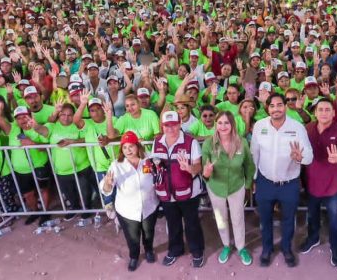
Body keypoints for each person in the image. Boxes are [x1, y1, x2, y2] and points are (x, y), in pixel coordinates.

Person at [250, 93, 312, 267]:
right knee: (265, 218)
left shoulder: (298, 127)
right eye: (272, 106)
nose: (276, 109)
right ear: (267, 108)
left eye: (279, 105)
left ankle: (286, 249)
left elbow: (309, 157)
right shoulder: (259, 126)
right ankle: (267, 249)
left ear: (285, 106)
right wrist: (254, 178)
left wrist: (300, 157)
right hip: (265, 182)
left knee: (288, 219)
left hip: (289, 184)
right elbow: (255, 154)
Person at [150, 110, 206, 268]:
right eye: (167, 125)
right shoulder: (157, 142)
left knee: (192, 224)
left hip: (189, 192)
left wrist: (189, 168)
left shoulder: (190, 142)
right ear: (162, 126)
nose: (170, 129)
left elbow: (198, 166)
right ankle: (175, 250)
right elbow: (155, 163)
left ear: (180, 123)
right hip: (167, 193)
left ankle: (197, 251)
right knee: (173, 223)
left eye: (173, 125)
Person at [300, 97, 337, 267]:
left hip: (333, 185)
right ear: (315, 112)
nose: (323, 112)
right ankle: (313, 238)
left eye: (327, 109)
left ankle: (335, 248)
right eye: (320, 109)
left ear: (333, 112)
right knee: (312, 215)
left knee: (335, 219)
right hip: (312, 183)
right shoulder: (307, 129)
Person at [201, 111, 255, 265]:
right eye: (220, 123)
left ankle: (241, 247)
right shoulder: (208, 144)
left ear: (232, 125)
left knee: (238, 218)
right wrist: (206, 173)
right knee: (220, 219)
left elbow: (249, 166)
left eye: (226, 123)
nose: (223, 126)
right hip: (216, 187)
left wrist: (249, 184)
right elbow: (204, 174)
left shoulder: (242, 142)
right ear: (216, 125)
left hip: (237, 186)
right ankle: (226, 245)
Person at [100, 131, 159, 272]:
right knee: (132, 237)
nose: (128, 150)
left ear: (138, 146)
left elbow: (159, 173)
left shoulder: (149, 159)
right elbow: (106, 189)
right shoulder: (116, 165)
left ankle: (149, 250)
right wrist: (108, 183)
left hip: (150, 206)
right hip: (127, 210)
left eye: (131, 146)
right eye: (125, 148)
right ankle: (134, 256)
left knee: (149, 232)